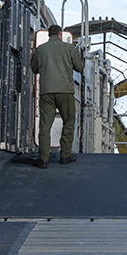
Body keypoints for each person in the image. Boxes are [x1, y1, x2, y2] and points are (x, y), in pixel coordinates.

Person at [31, 25, 85, 168]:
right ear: (60, 34)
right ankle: (65, 155)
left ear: (49, 35)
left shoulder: (40, 49)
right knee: (69, 121)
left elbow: (34, 69)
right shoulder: (69, 48)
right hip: (65, 91)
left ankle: (43, 159)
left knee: (45, 125)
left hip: (46, 92)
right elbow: (79, 67)